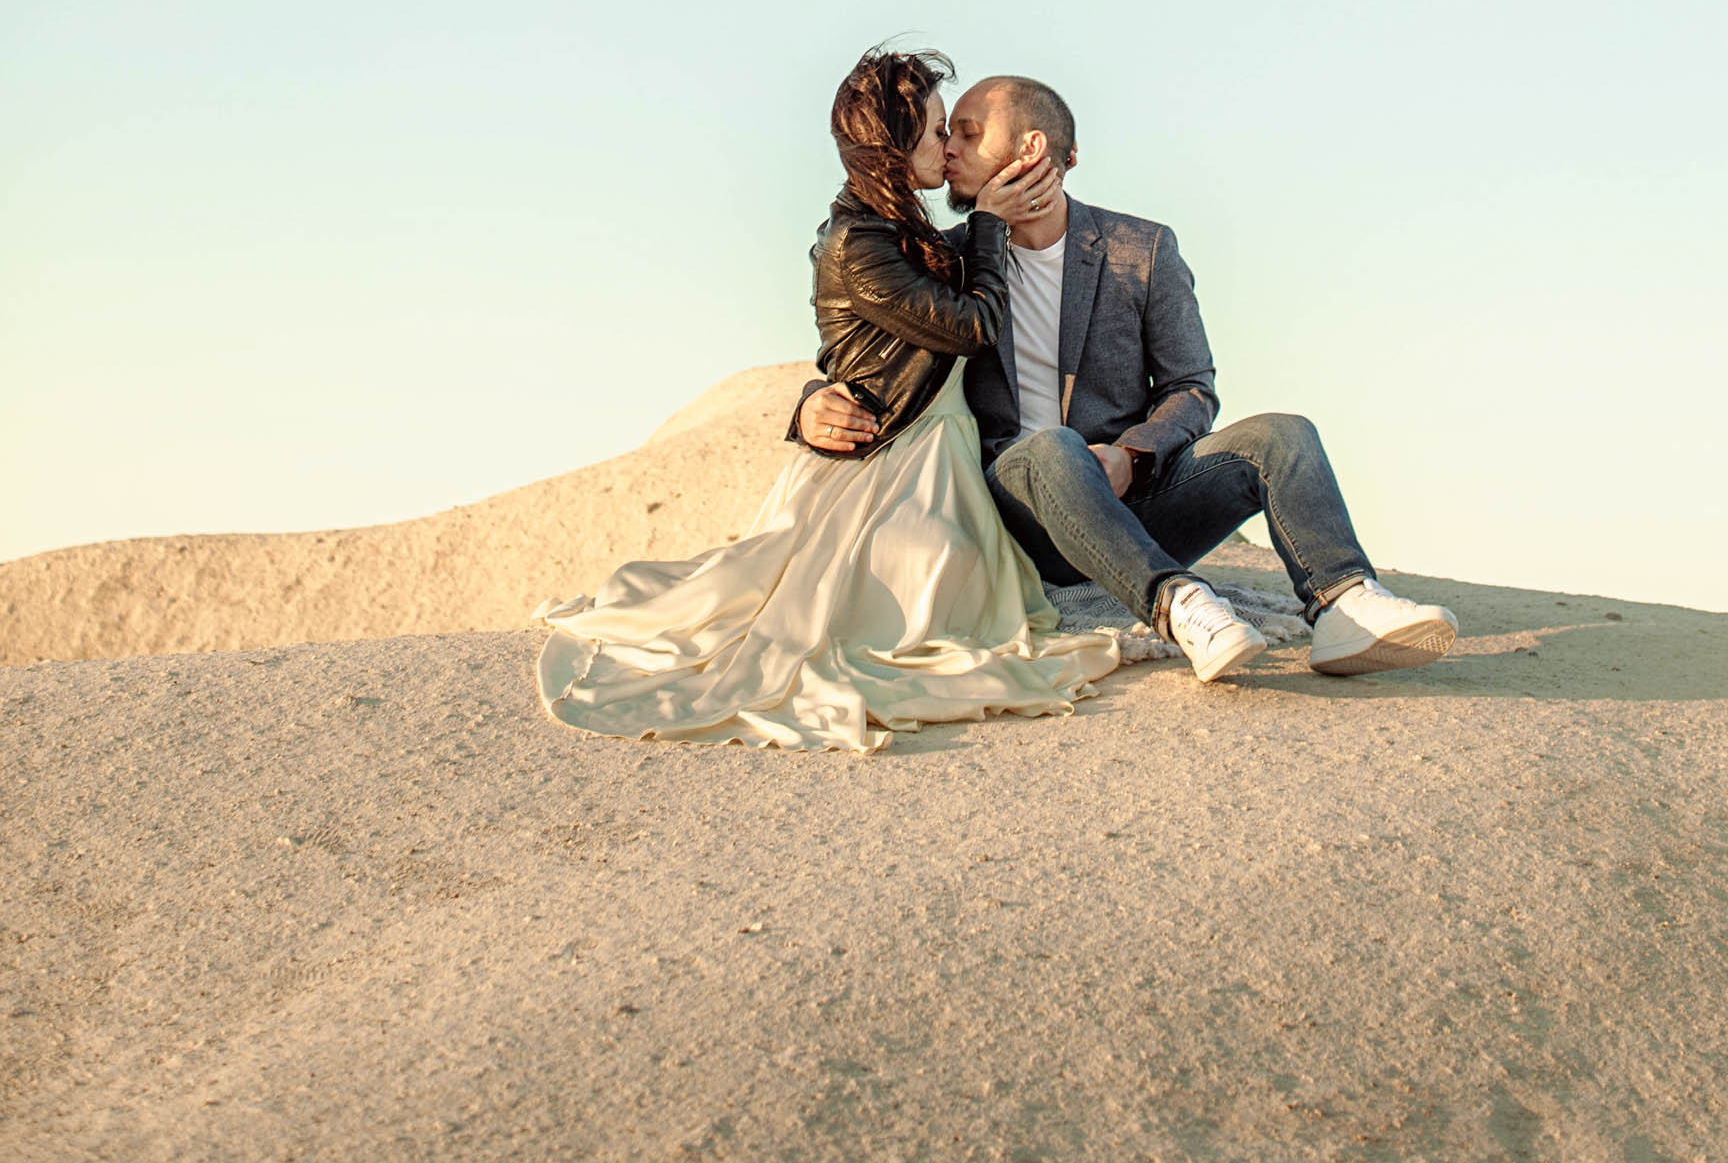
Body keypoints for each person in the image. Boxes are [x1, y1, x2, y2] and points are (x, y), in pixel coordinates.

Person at [534, 48, 1123, 753]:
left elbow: (857, 347)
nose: (948, 144)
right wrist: (993, 225)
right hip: (890, 459)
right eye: (937, 129)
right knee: (912, 587)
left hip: (943, 449)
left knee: (955, 575)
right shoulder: (860, 241)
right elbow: (969, 327)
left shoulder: (914, 233)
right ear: (895, 145)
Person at [796, 74, 1457, 683]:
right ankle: (1179, 605)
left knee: (1283, 435)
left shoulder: (1142, 248)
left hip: (1135, 498)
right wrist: (808, 405)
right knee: (1052, 449)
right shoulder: (952, 259)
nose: (948, 150)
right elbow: (863, 350)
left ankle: (1345, 603)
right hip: (1019, 510)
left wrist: (1131, 454)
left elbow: (1192, 388)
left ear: (1028, 148)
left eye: (967, 133)